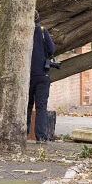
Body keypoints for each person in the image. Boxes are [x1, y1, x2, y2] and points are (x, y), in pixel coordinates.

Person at [28, 13, 57, 142]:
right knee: (41, 106)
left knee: (26, 106)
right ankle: (41, 136)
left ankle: (24, 132)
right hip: (42, 74)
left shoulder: (22, 31)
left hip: (27, 75)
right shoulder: (42, 31)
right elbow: (51, 50)